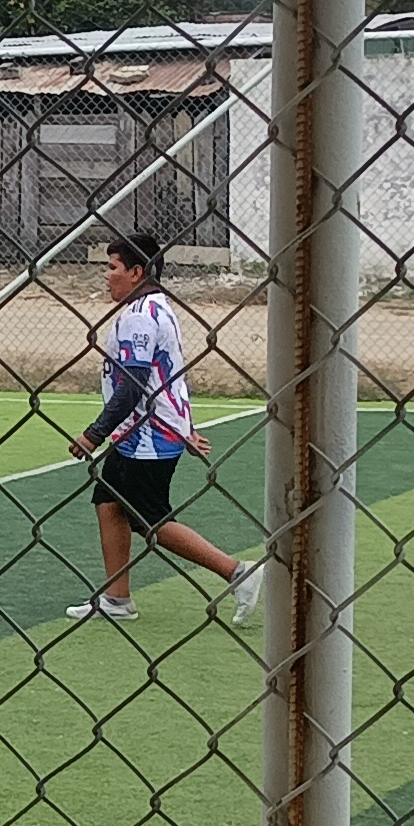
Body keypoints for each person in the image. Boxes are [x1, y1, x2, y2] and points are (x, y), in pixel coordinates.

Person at [65, 232, 263, 624]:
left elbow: (133, 384)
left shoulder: (140, 316)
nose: (106, 275)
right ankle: (117, 599)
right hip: (144, 431)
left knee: (149, 518)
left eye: (113, 267)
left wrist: (94, 433)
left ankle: (237, 573)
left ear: (136, 272)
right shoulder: (157, 308)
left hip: (147, 435)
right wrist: (184, 425)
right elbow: (168, 375)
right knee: (108, 503)